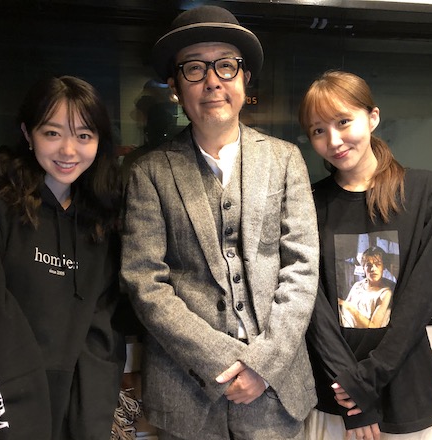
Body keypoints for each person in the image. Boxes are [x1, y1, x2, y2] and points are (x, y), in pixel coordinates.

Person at [120, 5, 320, 440]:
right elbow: (145, 282)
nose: (212, 81)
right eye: (194, 69)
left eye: (225, 66)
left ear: (244, 78)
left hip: (275, 391)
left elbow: (302, 270)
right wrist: (221, 362)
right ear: (176, 88)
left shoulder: (286, 159)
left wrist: (263, 365)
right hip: (187, 391)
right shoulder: (149, 172)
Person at [0, 75, 126, 439]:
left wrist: (92, 426)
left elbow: (100, 334)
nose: (68, 150)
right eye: (52, 133)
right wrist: (16, 426)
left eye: (84, 136)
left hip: (64, 417)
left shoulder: (99, 219)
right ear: (27, 133)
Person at [299, 70, 432, 440]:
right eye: (318, 130)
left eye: (343, 121)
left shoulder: (422, 190)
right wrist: (350, 388)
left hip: (409, 395)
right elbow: (313, 306)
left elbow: (421, 295)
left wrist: (366, 380)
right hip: (334, 396)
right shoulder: (308, 202)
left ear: (373, 117)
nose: (334, 140)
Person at [339, 246, 394, 329]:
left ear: (383, 267)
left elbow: (373, 327)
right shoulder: (357, 286)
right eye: (368, 265)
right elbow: (344, 311)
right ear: (363, 268)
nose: (373, 269)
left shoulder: (385, 293)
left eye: (378, 264)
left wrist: (350, 308)